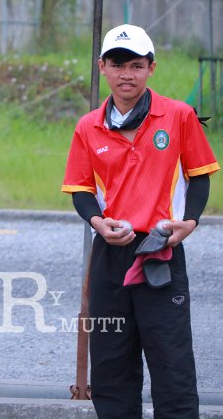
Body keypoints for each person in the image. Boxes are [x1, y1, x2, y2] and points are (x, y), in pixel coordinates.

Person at [62, 24, 219, 418]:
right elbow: (81, 189)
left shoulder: (178, 116)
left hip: (160, 252)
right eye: (117, 64)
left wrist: (190, 222)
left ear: (151, 68)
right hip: (110, 255)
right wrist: (97, 222)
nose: (126, 74)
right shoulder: (88, 126)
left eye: (135, 65)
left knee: (172, 362)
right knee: (112, 364)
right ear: (102, 67)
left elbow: (199, 174)